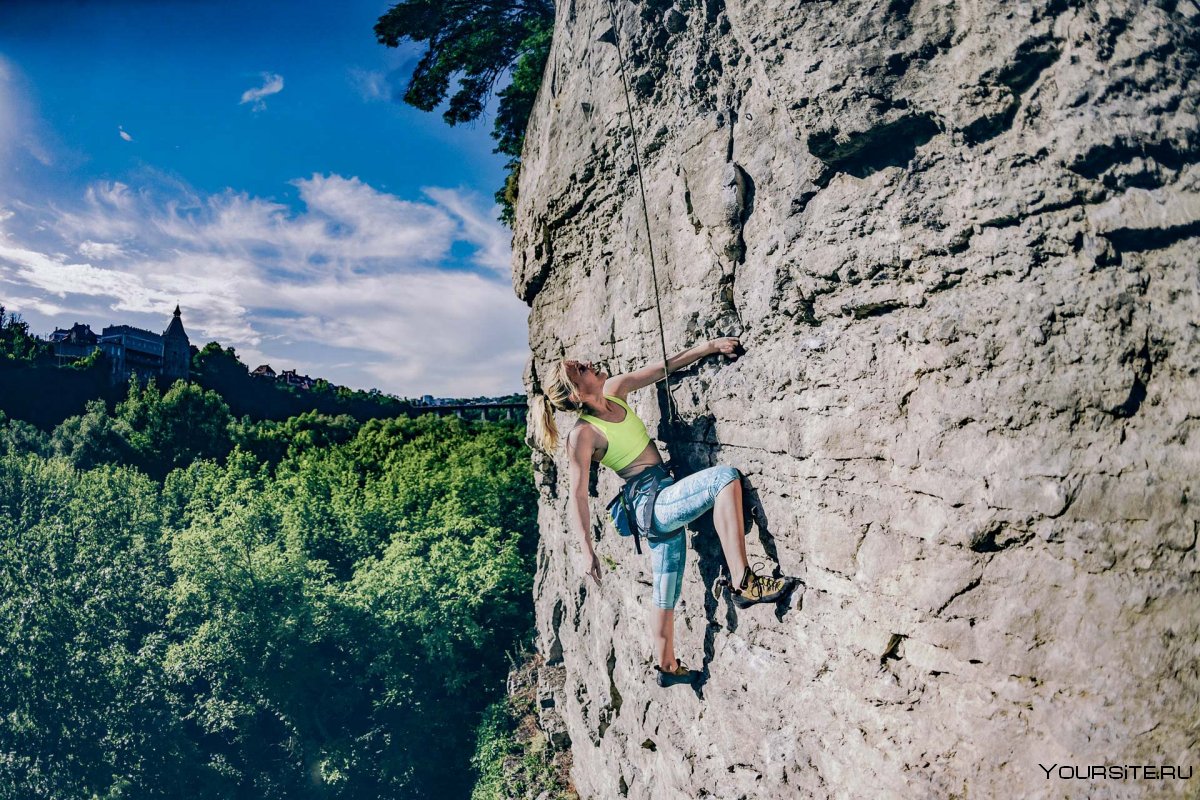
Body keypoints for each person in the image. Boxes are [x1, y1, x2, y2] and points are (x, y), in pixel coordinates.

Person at [530, 337, 799, 687]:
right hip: (652, 503)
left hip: (659, 498)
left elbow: (662, 367)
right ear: (578, 392)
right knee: (723, 480)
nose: (587, 363)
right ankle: (743, 582)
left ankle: (667, 667)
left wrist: (710, 347)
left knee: (665, 591)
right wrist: (586, 550)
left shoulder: (614, 389)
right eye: (580, 369)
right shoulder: (583, 434)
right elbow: (578, 496)